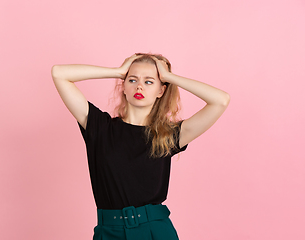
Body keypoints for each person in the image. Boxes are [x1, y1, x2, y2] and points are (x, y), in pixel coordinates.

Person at [51, 53, 230, 240]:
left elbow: (221, 100)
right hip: (109, 230)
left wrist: (168, 77)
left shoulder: (168, 136)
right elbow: (59, 74)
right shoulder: (100, 127)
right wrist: (117, 71)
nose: (139, 86)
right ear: (124, 87)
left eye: (149, 82)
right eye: (132, 79)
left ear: (161, 91)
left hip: (156, 231)